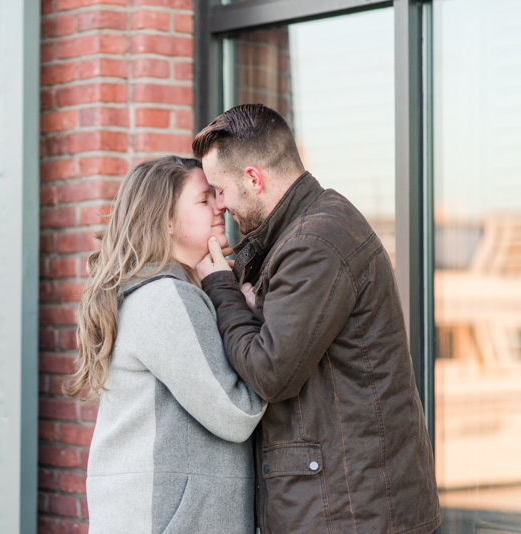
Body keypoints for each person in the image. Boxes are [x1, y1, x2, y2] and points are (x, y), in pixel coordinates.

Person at [193, 104, 440, 534]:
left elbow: (270, 372)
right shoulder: (302, 229)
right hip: (349, 504)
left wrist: (220, 286)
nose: (219, 204)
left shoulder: (315, 242)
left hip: (349, 513)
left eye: (219, 189)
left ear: (254, 178)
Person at [64, 156, 267, 534]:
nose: (219, 206)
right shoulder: (165, 298)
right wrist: (256, 322)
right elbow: (237, 411)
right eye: (203, 200)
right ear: (166, 222)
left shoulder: (160, 291)